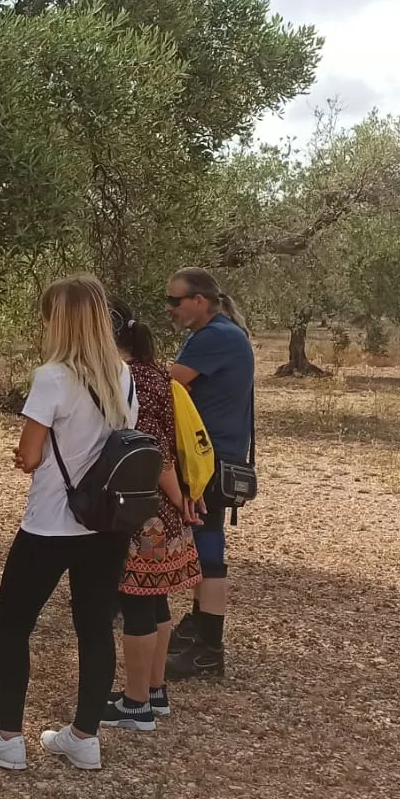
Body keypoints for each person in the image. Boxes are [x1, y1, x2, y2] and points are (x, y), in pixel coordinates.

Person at [0, 275, 135, 773]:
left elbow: (31, 453)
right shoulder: (122, 375)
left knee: (14, 625)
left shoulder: (52, 377)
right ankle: (84, 735)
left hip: (52, 524)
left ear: (56, 321)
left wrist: (23, 457)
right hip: (106, 523)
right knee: (95, 628)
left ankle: (8, 735)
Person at [102, 300, 201, 732]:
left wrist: (177, 498)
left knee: (137, 602)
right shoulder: (159, 372)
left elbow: (154, 451)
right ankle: (155, 691)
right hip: (164, 510)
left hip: (143, 511)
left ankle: (136, 703)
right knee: (156, 599)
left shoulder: (129, 380)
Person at [163, 267, 255, 681]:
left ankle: (209, 650)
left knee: (209, 551)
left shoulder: (215, 337)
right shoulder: (217, 334)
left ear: (200, 300)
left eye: (175, 301)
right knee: (205, 546)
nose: (170, 309)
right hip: (215, 456)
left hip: (209, 461)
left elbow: (171, 383)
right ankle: (199, 629)